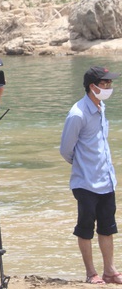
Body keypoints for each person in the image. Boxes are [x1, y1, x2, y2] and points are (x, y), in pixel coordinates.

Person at [60, 66, 122, 285]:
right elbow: (66, 149)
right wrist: (82, 166)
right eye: (104, 83)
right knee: (85, 229)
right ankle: (91, 272)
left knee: (108, 227)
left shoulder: (101, 106)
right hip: (85, 182)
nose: (108, 87)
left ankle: (110, 271)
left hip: (106, 180)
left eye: (109, 83)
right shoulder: (77, 113)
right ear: (92, 86)